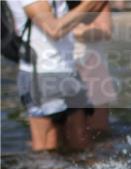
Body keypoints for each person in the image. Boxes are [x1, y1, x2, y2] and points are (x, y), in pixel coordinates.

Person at [8, 0, 108, 151]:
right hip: (41, 73)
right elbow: (53, 29)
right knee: (47, 149)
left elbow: (85, 17)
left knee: (81, 144)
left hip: (68, 68)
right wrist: (90, 4)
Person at [73, 1, 114, 137]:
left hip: (92, 68)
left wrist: (62, 29)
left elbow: (105, 30)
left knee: (99, 133)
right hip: (56, 69)